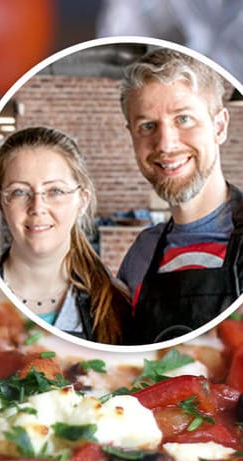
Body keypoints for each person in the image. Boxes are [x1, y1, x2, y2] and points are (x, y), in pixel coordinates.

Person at [116, 47, 242, 344]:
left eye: (184, 119)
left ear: (219, 126)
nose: (166, 144)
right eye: (147, 126)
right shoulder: (141, 253)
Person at [0, 126, 131, 344]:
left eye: (55, 191)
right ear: (1, 202)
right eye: (20, 192)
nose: (37, 207)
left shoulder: (118, 304)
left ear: (82, 201)